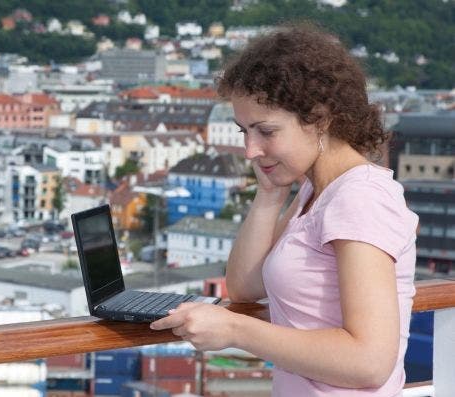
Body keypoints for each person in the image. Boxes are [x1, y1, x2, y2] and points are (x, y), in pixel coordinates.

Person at [150, 23, 419, 396]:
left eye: (266, 132)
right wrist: (269, 193)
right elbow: (245, 287)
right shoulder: (316, 190)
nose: (250, 150)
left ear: (320, 119)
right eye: (244, 131)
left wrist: (234, 330)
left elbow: (370, 362)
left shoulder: (360, 199)